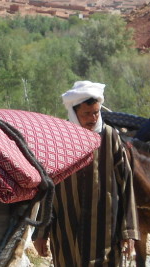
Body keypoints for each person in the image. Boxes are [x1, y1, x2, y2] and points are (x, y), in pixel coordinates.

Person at [32, 80, 139, 266]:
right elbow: (47, 186)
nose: (93, 118)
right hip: (66, 229)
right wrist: (41, 233)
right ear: (74, 113)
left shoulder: (109, 137)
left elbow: (126, 184)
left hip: (105, 231)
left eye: (96, 112)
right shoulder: (58, 139)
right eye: (86, 114)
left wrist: (128, 232)